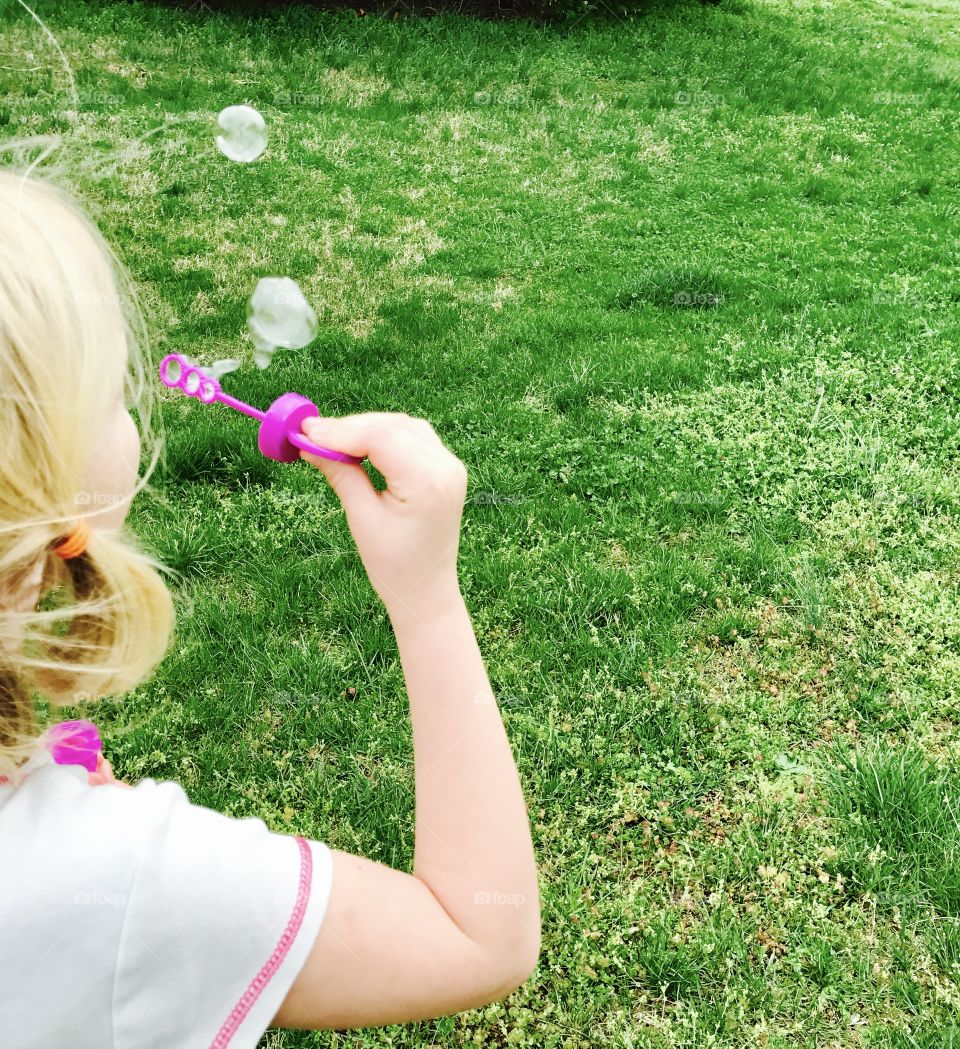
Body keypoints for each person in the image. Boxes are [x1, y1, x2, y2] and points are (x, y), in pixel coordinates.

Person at [0, 168, 540, 1047]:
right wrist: (427, 599)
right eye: (107, 391)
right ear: (33, 535)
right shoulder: (119, 882)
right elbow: (478, 929)